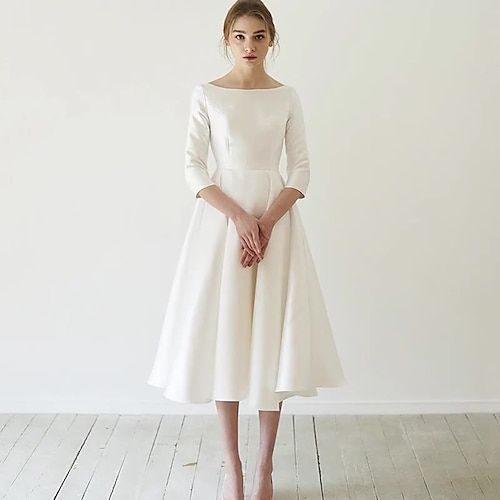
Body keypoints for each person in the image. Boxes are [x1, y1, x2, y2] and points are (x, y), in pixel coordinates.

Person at [147, 1, 347, 498]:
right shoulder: (207, 94)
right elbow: (193, 167)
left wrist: (266, 221)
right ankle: (233, 468)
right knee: (227, 340)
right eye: (240, 36)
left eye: (259, 36)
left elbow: (300, 170)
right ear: (226, 39)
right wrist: (238, 218)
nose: (249, 46)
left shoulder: (286, 97)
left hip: (275, 225)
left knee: (271, 341)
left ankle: (264, 468)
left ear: (272, 40)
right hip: (221, 225)